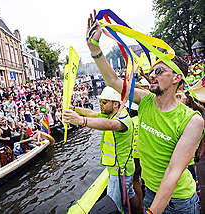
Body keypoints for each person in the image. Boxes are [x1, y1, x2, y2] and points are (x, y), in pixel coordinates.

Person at [86, 11, 204, 213]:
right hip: (150, 192)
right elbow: (114, 81)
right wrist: (94, 48)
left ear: (176, 78)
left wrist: (152, 211)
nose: (152, 76)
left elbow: (173, 172)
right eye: (151, 72)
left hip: (178, 201)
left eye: (159, 72)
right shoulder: (146, 100)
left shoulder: (192, 120)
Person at [63, 86, 139, 213]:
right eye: (100, 102)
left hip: (120, 170)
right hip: (121, 168)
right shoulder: (112, 114)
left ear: (115, 104)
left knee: (115, 205)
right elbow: (92, 113)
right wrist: (73, 108)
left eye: (104, 102)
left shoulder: (122, 118)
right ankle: (140, 210)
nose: (100, 105)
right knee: (130, 194)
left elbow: (111, 125)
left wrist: (80, 121)